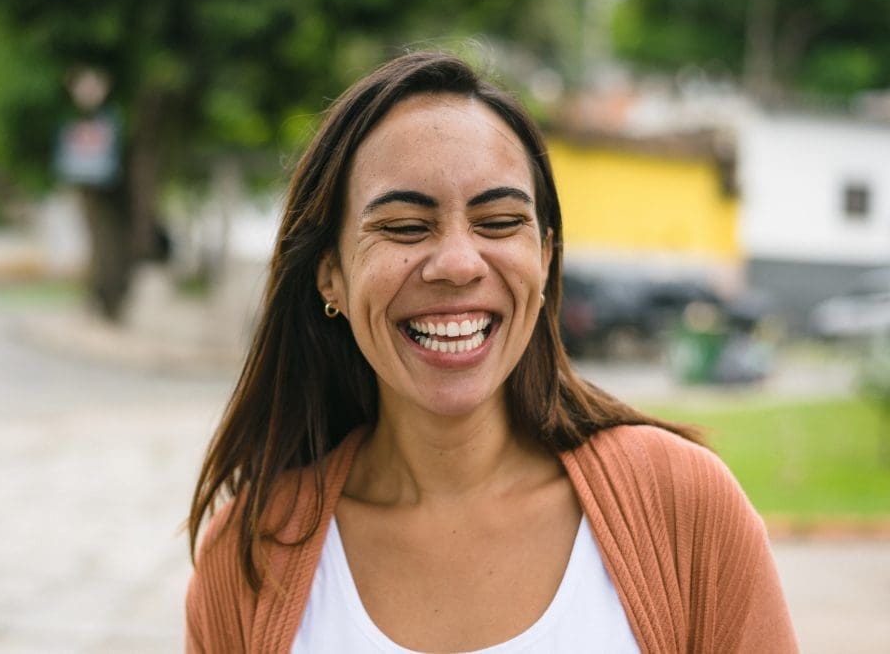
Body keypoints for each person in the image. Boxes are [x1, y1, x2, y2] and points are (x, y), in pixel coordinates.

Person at [185, 51, 797, 653]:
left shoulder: (684, 508)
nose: (457, 263)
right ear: (331, 276)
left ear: (545, 256)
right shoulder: (247, 555)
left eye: (500, 222)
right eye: (403, 227)